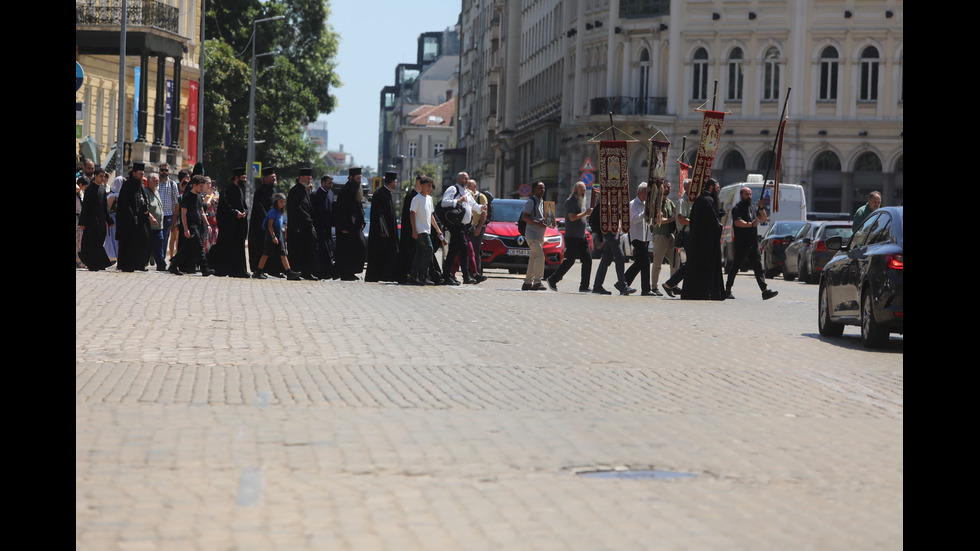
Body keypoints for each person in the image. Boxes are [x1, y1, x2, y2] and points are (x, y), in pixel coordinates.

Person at [724, 187, 779, 300]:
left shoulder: (753, 207)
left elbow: (763, 219)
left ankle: (764, 291)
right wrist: (750, 224)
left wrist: (761, 207)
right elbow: (738, 222)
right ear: (741, 195)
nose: (749, 196)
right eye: (746, 194)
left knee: (758, 267)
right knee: (735, 267)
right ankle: (727, 290)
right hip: (742, 244)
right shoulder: (737, 208)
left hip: (753, 243)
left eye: (750, 194)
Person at [681, 178, 724, 300]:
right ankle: (707, 292)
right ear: (711, 187)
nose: (718, 190)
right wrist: (718, 227)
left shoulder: (700, 199)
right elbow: (712, 223)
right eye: (717, 187)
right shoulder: (708, 200)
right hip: (707, 243)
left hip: (697, 241)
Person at [547, 181, 593, 292]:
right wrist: (585, 213)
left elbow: (582, 217)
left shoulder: (582, 202)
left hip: (581, 236)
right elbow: (572, 217)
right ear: (576, 189)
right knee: (570, 260)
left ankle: (584, 286)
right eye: (581, 189)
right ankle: (553, 279)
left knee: (588, 260)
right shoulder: (570, 201)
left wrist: (588, 217)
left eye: (584, 189)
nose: (583, 191)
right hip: (572, 236)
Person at [440, 171, 484, 285]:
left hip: (464, 226)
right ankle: (466, 276)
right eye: (465, 178)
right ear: (459, 179)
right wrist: (458, 201)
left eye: (468, 178)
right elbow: (444, 203)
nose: (467, 181)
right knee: (464, 248)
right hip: (455, 224)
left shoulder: (467, 192)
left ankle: (446, 275)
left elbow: (474, 206)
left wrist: (481, 208)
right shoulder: (453, 189)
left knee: (453, 251)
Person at [592, 188, 636, 296]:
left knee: (606, 260)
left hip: (616, 231)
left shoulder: (620, 202)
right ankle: (622, 285)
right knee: (620, 257)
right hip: (609, 231)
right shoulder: (607, 201)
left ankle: (597, 285)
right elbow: (609, 211)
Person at [208, 167, 250, 278]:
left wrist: (244, 212)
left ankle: (238, 271)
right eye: (243, 178)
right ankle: (217, 268)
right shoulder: (227, 190)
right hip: (229, 226)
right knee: (224, 247)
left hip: (238, 225)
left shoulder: (240, 190)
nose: (245, 180)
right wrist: (235, 213)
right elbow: (224, 207)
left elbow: (244, 206)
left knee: (238, 248)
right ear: (237, 177)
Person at [168, 175, 213, 276]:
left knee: (186, 248)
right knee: (199, 246)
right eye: (200, 186)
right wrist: (185, 229)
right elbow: (183, 214)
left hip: (198, 225)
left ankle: (173, 265)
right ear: (194, 185)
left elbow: (201, 212)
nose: (202, 189)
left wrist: (207, 225)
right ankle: (204, 268)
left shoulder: (199, 197)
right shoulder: (187, 197)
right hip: (190, 225)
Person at [252, 193, 301, 280]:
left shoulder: (280, 212)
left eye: (284, 202)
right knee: (266, 254)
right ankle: (258, 272)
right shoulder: (273, 211)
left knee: (283, 254)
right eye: (281, 202)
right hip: (271, 236)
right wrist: (273, 236)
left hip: (279, 236)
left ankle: (289, 272)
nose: (283, 204)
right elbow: (270, 225)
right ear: (276, 202)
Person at [115, 162, 153, 272]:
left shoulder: (139, 184)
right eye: (140, 174)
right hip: (129, 221)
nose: (142, 176)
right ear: (134, 173)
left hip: (140, 220)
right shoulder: (127, 185)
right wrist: (133, 217)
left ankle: (140, 264)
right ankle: (127, 265)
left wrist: (146, 209)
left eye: (143, 174)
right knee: (129, 243)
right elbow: (125, 204)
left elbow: (142, 199)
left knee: (144, 241)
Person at [407, 176, 445, 285]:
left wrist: (437, 229)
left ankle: (413, 276)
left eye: (431, 185)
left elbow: (431, 215)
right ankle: (424, 275)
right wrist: (414, 230)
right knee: (429, 249)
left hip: (427, 229)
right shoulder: (417, 198)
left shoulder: (429, 198)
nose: (430, 188)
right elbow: (412, 214)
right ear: (422, 185)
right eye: (428, 185)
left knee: (419, 253)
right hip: (420, 230)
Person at [365, 171, 400, 282]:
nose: (396, 183)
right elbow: (378, 214)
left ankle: (387, 275)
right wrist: (382, 230)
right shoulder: (379, 193)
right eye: (395, 181)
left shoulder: (388, 193)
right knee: (379, 254)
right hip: (381, 233)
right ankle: (376, 276)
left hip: (389, 231)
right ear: (392, 181)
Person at [333, 167, 366, 281]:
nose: (359, 181)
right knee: (347, 252)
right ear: (351, 178)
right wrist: (343, 227)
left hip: (355, 228)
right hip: (346, 228)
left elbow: (359, 209)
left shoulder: (357, 190)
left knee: (359, 249)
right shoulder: (345, 191)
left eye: (360, 178)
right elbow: (341, 211)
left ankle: (352, 272)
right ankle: (346, 274)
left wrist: (362, 222)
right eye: (357, 178)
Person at [78, 167, 114, 271]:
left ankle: (99, 263)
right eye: (100, 176)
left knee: (98, 243)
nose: (102, 178)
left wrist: (109, 220)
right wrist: (82, 222)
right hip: (91, 222)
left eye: (104, 176)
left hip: (101, 222)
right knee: (93, 243)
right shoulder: (89, 190)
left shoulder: (102, 190)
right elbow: (85, 207)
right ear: (95, 176)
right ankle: (96, 264)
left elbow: (105, 208)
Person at [286, 167, 319, 280]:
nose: (309, 181)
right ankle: (296, 272)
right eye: (307, 178)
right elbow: (296, 210)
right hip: (298, 227)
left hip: (307, 227)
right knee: (297, 251)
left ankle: (307, 272)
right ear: (301, 178)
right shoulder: (294, 191)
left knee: (309, 250)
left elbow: (308, 207)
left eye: (310, 179)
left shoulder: (306, 190)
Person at [249, 166, 282, 275]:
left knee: (273, 249)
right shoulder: (260, 191)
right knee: (260, 249)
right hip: (261, 226)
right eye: (272, 177)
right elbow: (260, 209)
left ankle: (273, 270)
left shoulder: (274, 191)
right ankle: (258, 270)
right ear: (266, 178)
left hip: (272, 225)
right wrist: (268, 220)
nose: (274, 179)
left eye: (275, 177)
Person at [648, 181, 679, 296]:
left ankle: (672, 285)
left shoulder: (670, 203)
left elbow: (677, 214)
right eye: (665, 187)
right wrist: (674, 219)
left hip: (670, 236)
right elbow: (660, 221)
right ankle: (654, 287)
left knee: (675, 263)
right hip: (660, 236)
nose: (667, 189)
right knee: (657, 263)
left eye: (669, 187)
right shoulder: (657, 203)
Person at [623, 182, 654, 296]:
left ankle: (623, 282)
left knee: (640, 263)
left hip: (645, 236)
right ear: (639, 192)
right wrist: (645, 212)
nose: (646, 195)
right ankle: (645, 289)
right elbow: (634, 219)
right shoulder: (633, 204)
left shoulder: (645, 203)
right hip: (636, 237)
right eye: (645, 192)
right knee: (645, 262)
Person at [520, 181, 550, 291]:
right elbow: (524, 217)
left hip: (540, 236)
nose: (542, 190)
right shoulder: (531, 202)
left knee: (533, 259)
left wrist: (549, 221)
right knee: (540, 256)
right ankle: (537, 282)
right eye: (540, 188)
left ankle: (527, 283)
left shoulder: (543, 203)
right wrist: (538, 223)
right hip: (532, 235)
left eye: (543, 188)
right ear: (534, 190)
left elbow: (542, 218)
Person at [397, 175, 424, 283]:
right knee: (409, 253)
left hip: (417, 229)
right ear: (417, 182)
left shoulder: (419, 196)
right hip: (410, 231)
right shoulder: (411, 195)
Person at [312, 174, 337, 279]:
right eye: (329, 183)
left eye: (332, 183)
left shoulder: (331, 194)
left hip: (328, 228)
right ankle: (320, 272)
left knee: (329, 248)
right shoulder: (315, 195)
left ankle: (328, 271)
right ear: (323, 183)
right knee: (321, 250)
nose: (331, 185)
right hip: (318, 228)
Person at [465, 179, 489, 282]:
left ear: (475, 187)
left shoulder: (481, 197)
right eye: (467, 185)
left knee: (475, 250)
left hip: (478, 226)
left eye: (470, 185)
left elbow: (484, 212)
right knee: (468, 251)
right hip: (469, 226)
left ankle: (476, 273)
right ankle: (469, 273)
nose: (468, 187)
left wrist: (479, 227)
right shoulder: (467, 196)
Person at [145, 172, 167, 271]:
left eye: (158, 180)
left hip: (159, 226)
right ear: (149, 182)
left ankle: (161, 265)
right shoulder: (146, 192)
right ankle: (143, 263)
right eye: (155, 180)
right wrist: (152, 218)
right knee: (148, 247)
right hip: (150, 226)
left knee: (159, 246)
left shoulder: (157, 191)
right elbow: (145, 208)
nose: (157, 181)